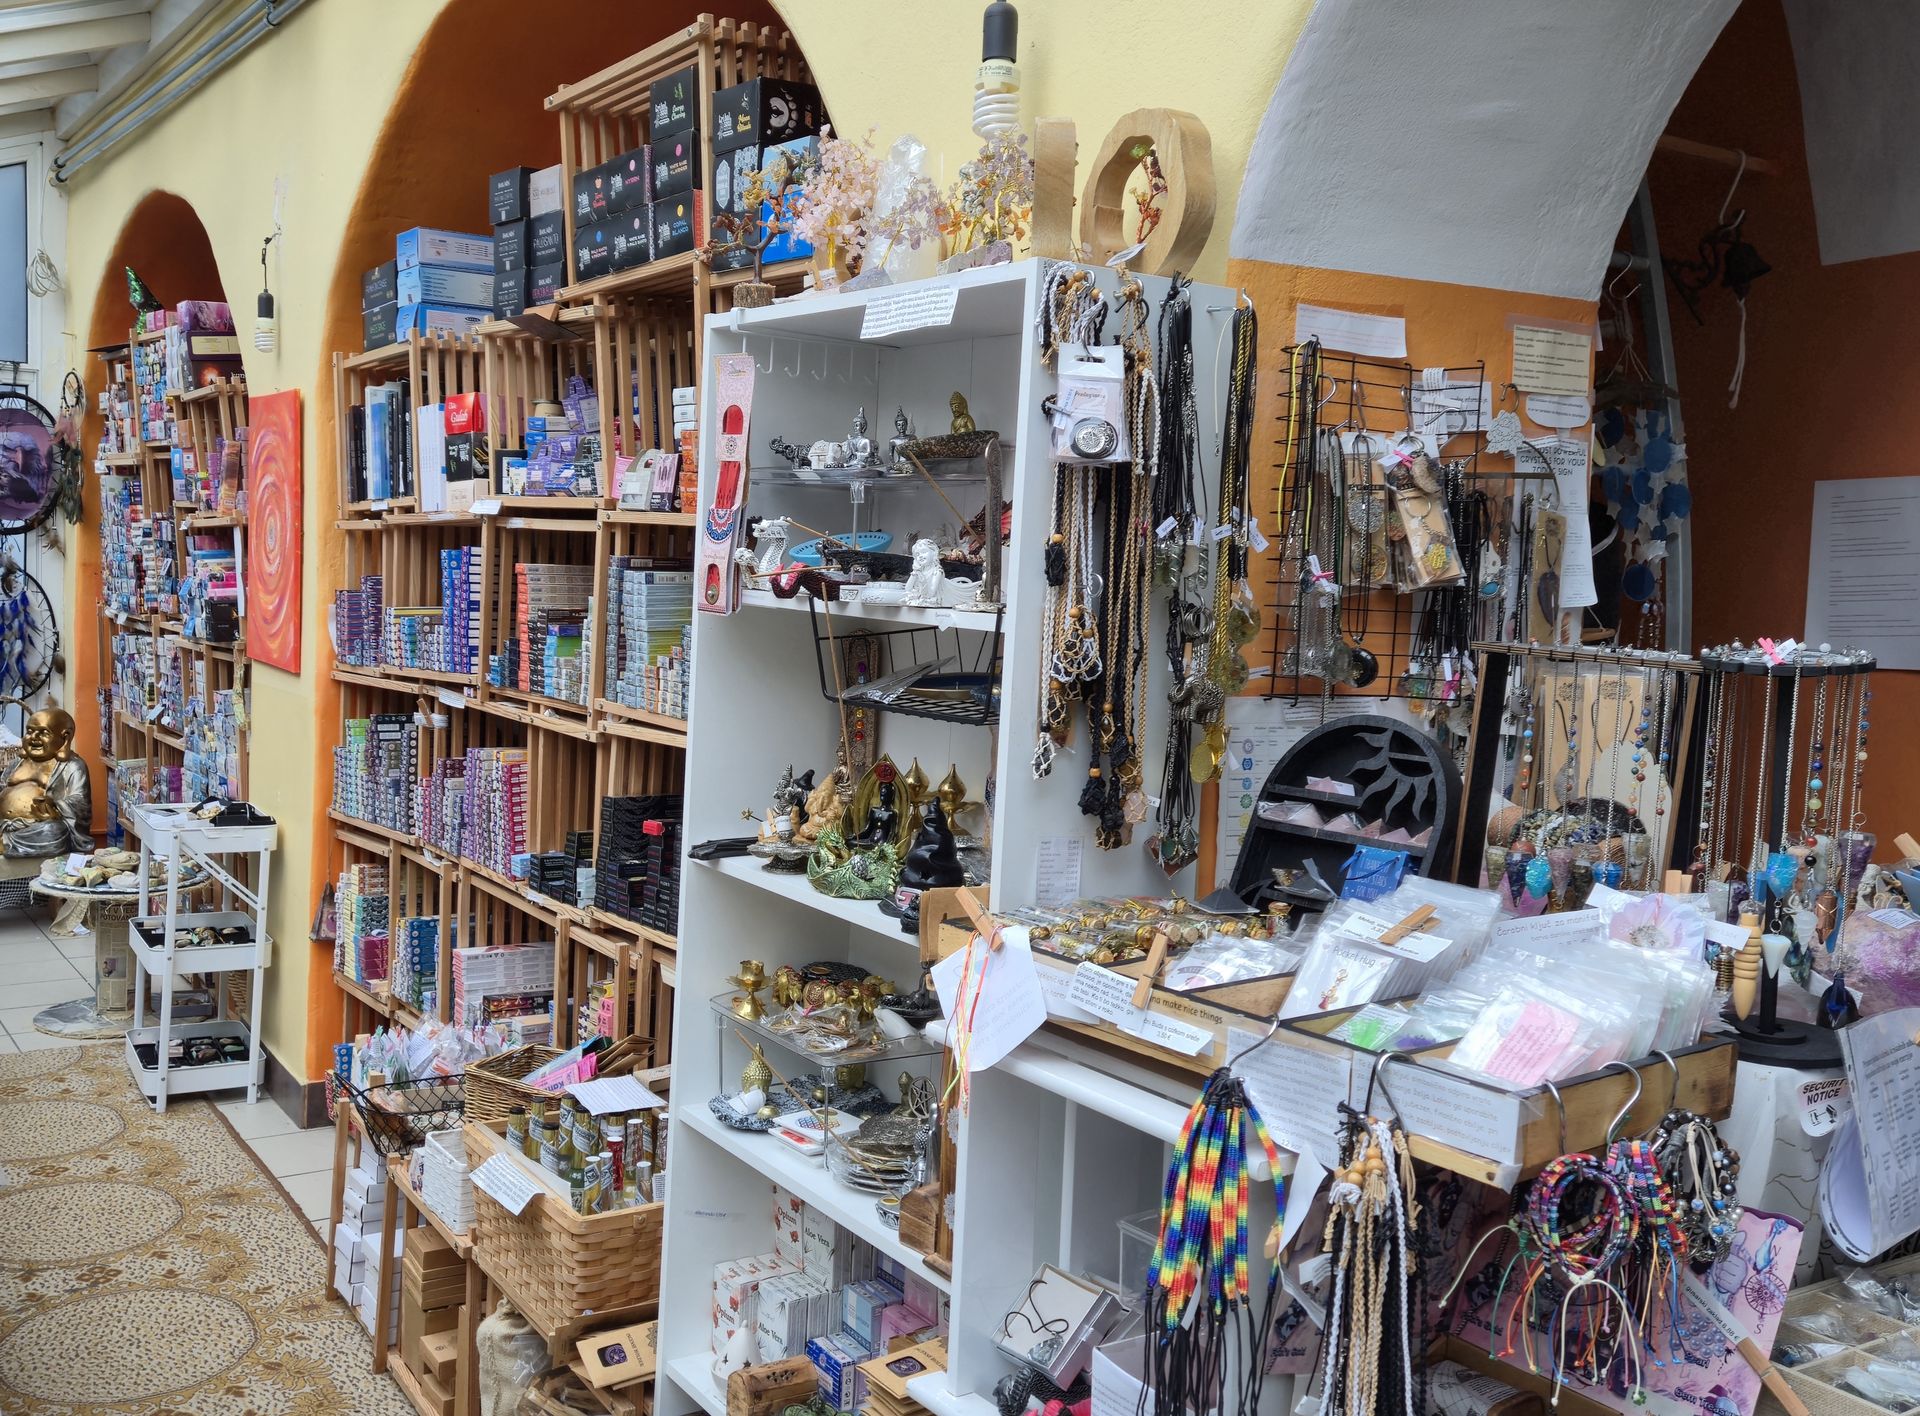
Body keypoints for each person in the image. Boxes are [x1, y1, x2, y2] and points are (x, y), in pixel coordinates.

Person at [1, 707, 91, 858]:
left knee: (53, 832)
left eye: (44, 733)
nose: (34, 737)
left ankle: (6, 842)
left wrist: (54, 805)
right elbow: (3, 786)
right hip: (3, 822)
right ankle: (6, 839)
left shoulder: (73, 766)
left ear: (65, 737)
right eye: (30, 731)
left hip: (38, 826)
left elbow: (81, 803)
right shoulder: (18, 762)